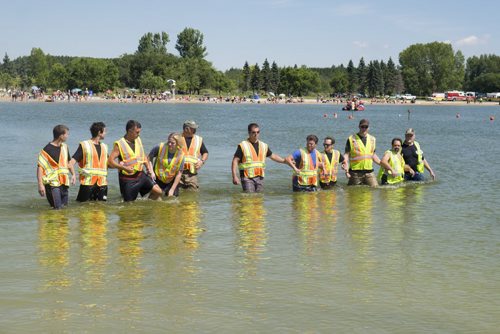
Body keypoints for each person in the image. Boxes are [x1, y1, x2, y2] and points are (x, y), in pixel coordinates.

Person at [108, 120, 162, 201]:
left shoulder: (138, 139)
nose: (138, 134)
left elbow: (143, 155)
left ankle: (146, 206)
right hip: (128, 180)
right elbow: (110, 162)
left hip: (141, 175)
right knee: (129, 205)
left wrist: (148, 167)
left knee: (158, 192)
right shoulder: (119, 144)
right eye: (137, 132)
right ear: (130, 131)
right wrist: (124, 168)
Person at [231, 123, 286, 192]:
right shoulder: (243, 145)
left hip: (260, 177)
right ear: (249, 133)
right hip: (247, 177)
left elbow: (273, 156)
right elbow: (235, 161)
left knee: (259, 199)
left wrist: (284, 161)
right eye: (253, 132)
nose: (256, 134)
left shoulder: (264, 145)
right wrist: (234, 176)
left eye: (258, 132)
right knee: (249, 199)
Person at [37, 124, 76, 209]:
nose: (68, 136)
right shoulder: (46, 150)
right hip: (52, 184)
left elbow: (68, 162)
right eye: (67, 134)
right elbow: (40, 168)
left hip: (64, 183)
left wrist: (73, 174)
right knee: (57, 209)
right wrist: (40, 185)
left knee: (64, 208)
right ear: (61, 135)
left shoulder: (65, 147)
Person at [69, 122, 109, 202]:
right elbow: (70, 163)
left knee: (101, 210)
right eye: (104, 131)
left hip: (103, 184)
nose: (106, 133)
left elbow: (108, 164)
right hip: (87, 184)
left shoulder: (105, 147)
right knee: (83, 209)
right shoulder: (84, 145)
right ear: (99, 132)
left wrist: (122, 165)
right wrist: (73, 174)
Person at [343, 119, 380, 187]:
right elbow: (346, 155)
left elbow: (373, 155)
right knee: (353, 192)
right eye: (362, 126)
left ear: (368, 128)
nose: (364, 128)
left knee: (375, 188)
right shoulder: (351, 139)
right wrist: (345, 167)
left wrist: (382, 164)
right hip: (355, 173)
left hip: (369, 172)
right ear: (359, 127)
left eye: (366, 127)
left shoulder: (373, 139)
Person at [148, 133, 185, 197]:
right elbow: (148, 158)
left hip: (171, 180)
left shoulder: (181, 155)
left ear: (178, 144)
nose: (169, 144)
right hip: (157, 178)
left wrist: (172, 189)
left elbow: (179, 174)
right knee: (154, 199)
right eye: (169, 142)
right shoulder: (160, 147)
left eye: (172, 143)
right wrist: (151, 171)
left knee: (172, 199)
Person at [179, 120, 208, 191]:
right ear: (186, 129)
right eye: (193, 128)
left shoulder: (198, 139)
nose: (195, 130)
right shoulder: (176, 138)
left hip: (192, 174)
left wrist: (202, 161)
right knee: (176, 195)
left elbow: (205, 152)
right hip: (177, 172)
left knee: (192, 196)